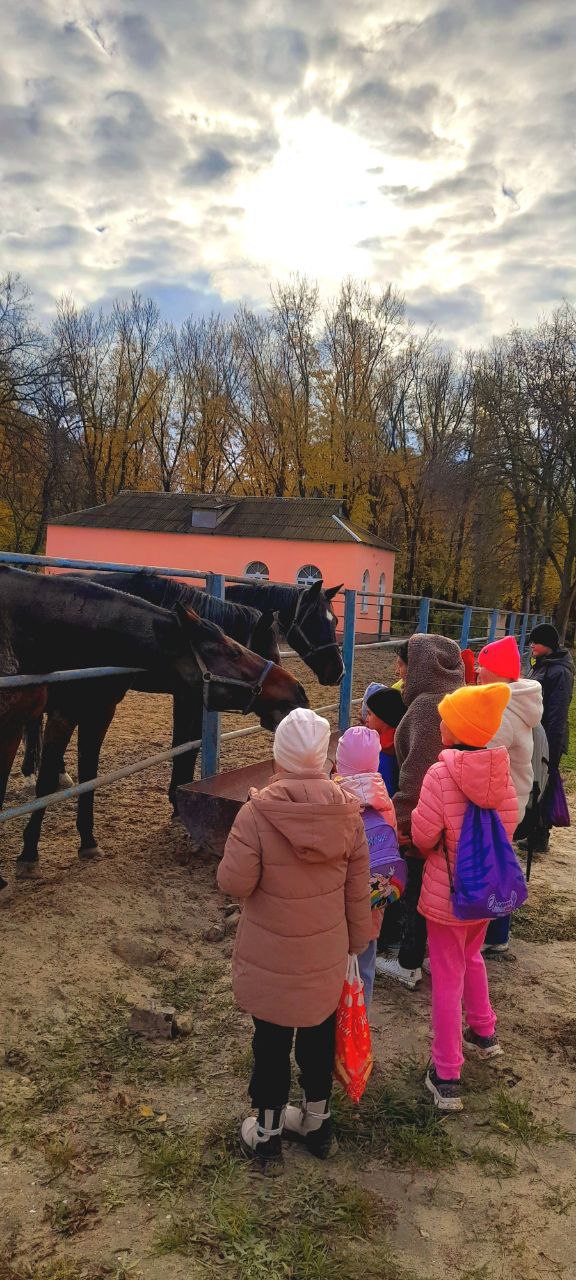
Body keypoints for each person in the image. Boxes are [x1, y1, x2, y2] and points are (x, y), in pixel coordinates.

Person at [217, 706, 371, 1171]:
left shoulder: (256, 813)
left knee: (270, 1044)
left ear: (278, 757)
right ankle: (317, 1125)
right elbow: (357, 891)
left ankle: (266, 1137)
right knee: (319, 1040)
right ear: (324, 758)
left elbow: (234, 882)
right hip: (325, 957)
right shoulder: (349, 813)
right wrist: (357, 942)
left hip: (271, 958)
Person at [411, 684, 518, 1112]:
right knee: (472, 957)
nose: (440, 723)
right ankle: (484, 1031)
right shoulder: (500, 772)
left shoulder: (439, 775)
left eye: (445, 719)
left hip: (448, 896)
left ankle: (447, 1074)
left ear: (455, 730)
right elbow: (508, 826)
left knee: (447, 975)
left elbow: (423, 836)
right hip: (486, 894)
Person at [376, 634, 465, 990]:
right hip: (454, 814)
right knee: (440, 888)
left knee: (415, 888)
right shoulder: (458, 697)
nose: (398, 670)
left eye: (402, 663)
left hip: (425, 816)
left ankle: (408, 962)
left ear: (420, 666)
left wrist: (402, 822)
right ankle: (429, 953)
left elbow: (417, 772)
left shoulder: (428, 708)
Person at [476, 636, 543, 952]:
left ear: (497, 671)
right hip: (514, 795)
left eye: (483, 667)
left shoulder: (502, 710)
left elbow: (484, 758)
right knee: (500, 862)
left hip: (501, 799)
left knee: (491, 866)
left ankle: (490, 935)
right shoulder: (515, 702)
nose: (478, 672)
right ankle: (498, 933)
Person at [334, 725, 400, 1009]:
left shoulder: (333, 800)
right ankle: (361, 1018)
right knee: (365, 965)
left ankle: (335, 1020)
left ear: (340, 763)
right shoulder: (385, 803)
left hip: (336, 906)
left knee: (334, 967)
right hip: (372, 902)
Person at [520, 623, 575, 854]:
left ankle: (540, 835)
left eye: (536, 642)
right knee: (534, 783)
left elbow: (557, 714)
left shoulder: (559, 672)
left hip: (549, 738)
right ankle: (531, 830)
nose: (532, 645)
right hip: (537, 734)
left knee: (544, 784)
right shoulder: (542, 664)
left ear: (548, 645)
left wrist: (551, 749)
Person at [364, 686, 405, 796]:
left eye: (369, 714)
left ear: (383, 717)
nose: (366, 719)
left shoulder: (381, 751)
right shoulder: (402, 741)